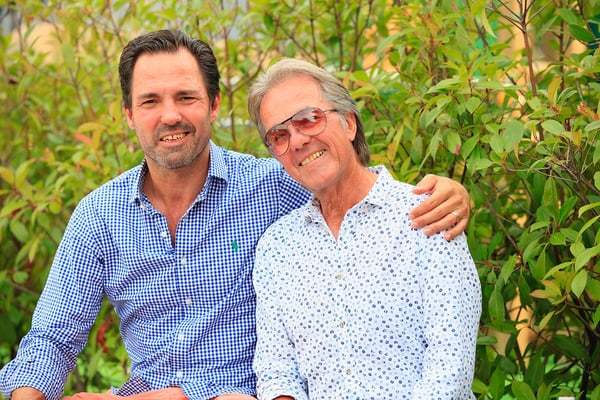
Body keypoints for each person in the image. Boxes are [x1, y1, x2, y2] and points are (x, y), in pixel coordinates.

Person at [0, 30, 471, 400]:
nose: (170, 115)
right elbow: (51, 339)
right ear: (128, 114)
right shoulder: (100, 216)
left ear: (213, 105)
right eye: (150, 101)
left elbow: (345, 178)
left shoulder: (274, 186)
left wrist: (447, 193)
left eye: (186, 97)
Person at [247, 58, 482, 400]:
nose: (296, 141)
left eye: (308, 119)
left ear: (349, 124)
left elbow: (450, 369)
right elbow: (277, 372)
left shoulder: (428, 214)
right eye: (279, 135)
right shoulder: (277, 247)